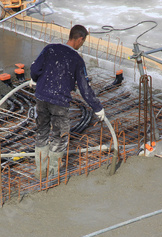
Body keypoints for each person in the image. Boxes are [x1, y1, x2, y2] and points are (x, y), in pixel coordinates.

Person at [29, 24, 105, 179]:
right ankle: (52, 176)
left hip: (41, 98)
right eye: (82, 43)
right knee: (59, 137)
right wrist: (97, 108)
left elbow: (35, 69)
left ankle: (40, 173)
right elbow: (84, 88)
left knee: (42, 133)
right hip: (59, 103)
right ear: (80, 39)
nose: (81, 45)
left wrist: (34, 79)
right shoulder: (76, 59)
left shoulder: (50, 49)